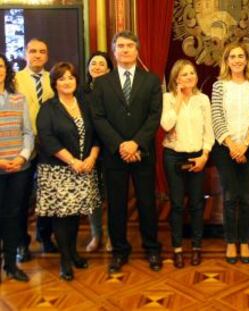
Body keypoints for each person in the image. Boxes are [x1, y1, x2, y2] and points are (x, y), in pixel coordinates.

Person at [91, 31, 163, 273]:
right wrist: (120, 144)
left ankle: (152, 248)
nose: (124, 50)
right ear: (114, 51)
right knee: (117, 205)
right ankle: (120, 251)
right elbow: (98, 118)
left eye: (129, 45)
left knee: (146, 203)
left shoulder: (152, 80)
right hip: (114, 154)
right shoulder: (101, 83)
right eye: (120, 46)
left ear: (137, 50)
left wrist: (136, 143)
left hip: (142, 153)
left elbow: (154, 116)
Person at [36, 62, 101, 281]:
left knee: (74, 216)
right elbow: (47, 139)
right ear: (55, 83)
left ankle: (73, 253)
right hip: (59, 171)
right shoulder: (49, 107)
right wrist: (72, 160)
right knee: (62, 217)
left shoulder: (85, 104)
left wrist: (91, 157)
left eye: (70, 77)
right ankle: (65, 260)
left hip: (84, 168)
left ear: (76, 81)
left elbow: (96, 133)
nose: (67, 82)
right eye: (62, 78)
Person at [211, 42, 249, 264]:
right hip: (225, 149)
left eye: (241, 56)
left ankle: (244, 241)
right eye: (233, 56)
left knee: (248, 197)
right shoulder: (219, 86)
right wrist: (233, 146)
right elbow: (216, 118)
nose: (237, 60)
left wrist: (245, 145)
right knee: (231, 196)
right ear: (227, 60)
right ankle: (231, 242)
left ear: (246, 59)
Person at [161, 59, 214, 268]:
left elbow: (208, 131)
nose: (189, 77)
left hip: (197, 156)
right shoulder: (167, 98)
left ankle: (196, 247)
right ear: (176, 78)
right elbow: (166, 125)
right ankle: (177, 249)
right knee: (175, 204)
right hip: (173, 156)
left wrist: (205, 156)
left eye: (192, 73)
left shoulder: (203, 99)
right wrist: (179, 100)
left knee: (196, 204)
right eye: (184, 74)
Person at [15, 38, 57, 262]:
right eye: (33, 51)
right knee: (22, 198)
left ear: (47, 55)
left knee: (48, 195)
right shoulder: (14, 80)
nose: (37, 55)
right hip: (23, 147)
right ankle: (22, 243)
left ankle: (45, 236)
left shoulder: (54, 79)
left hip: (49, 147)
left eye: (42, 51)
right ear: (25, 53)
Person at [0, 53, 34, 282]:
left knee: (13, 216)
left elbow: (28, 133)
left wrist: (22, 157)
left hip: (18, 169)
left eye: (1, 66)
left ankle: (11, 265)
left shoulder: (18, 98)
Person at [81, 51, 113, 252]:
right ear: (88, 68)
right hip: (87, 150)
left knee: (112, 196)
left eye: (102, 64)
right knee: (92, 195)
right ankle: (96, 235)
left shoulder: (114, 90)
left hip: (110, 148)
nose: (97, 67)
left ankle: (112, 235)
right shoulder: (80, 92)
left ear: (109, 69)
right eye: (94, 63)